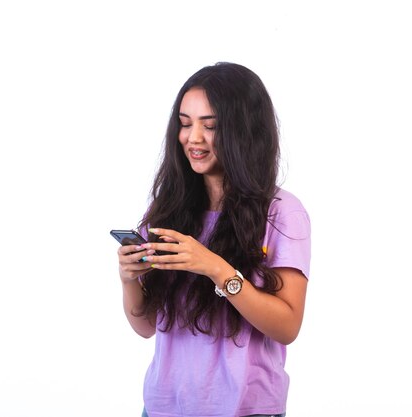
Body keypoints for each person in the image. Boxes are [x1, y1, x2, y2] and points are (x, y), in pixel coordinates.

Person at [117, 62, 311, 417]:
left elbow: (287, 326)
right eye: (185, 123)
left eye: (210, 126)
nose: (193, 138)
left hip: (246, 409)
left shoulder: (282, 212)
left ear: (244, 131)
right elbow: (145, 327)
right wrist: (129, 278)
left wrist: (216, 269)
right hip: (163, 408)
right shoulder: (168, 210)